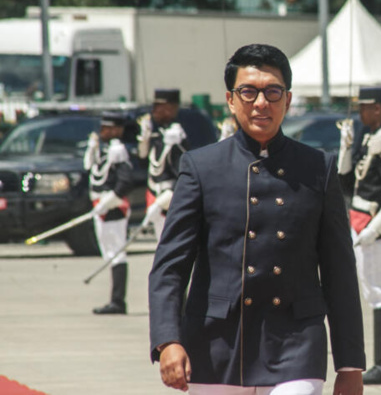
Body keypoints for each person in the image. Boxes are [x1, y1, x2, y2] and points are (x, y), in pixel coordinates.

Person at [148, 44, 365, 395]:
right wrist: (167, 340)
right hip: (215, 343)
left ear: (288, 100)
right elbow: (169, 265)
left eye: (272, 92)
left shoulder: (318, 167)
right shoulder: (201, 167)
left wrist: (350, 365)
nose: (261, 102)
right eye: (248, 92)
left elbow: (339, 270)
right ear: (231, 100)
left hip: (297, 343)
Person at [337, 85, 381, 385]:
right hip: (359, 221)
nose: (361, 112)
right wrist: (345, 148)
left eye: (364, 107)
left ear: (377, 109)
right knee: (371, 290)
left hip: (372, 228)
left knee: (379, 291)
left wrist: (373, 229)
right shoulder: (370, 139)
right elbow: (346, 183)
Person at [83, 111, 134, 314]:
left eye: (106, 128)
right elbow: (91, 169)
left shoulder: (117, 151)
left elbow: (125, 182)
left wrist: (108, 200)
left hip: (112, 208)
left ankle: (118, 301)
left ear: (115, 130)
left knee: (117, 253)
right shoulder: (103, 150)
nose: (101, 132)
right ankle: (115, 300)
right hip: (100, 206)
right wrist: (91, 148)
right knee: (109, 252)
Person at [137, 88, 188, 241]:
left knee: (171, 246)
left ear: (171, 109)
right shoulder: (159, 136)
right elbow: (144, 164)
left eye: (158, 108)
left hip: (168, 203)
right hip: (155, 196)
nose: (154, 112)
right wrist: (144, 141)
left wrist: (161, 203)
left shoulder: (176, 137)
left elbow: (184, 175)